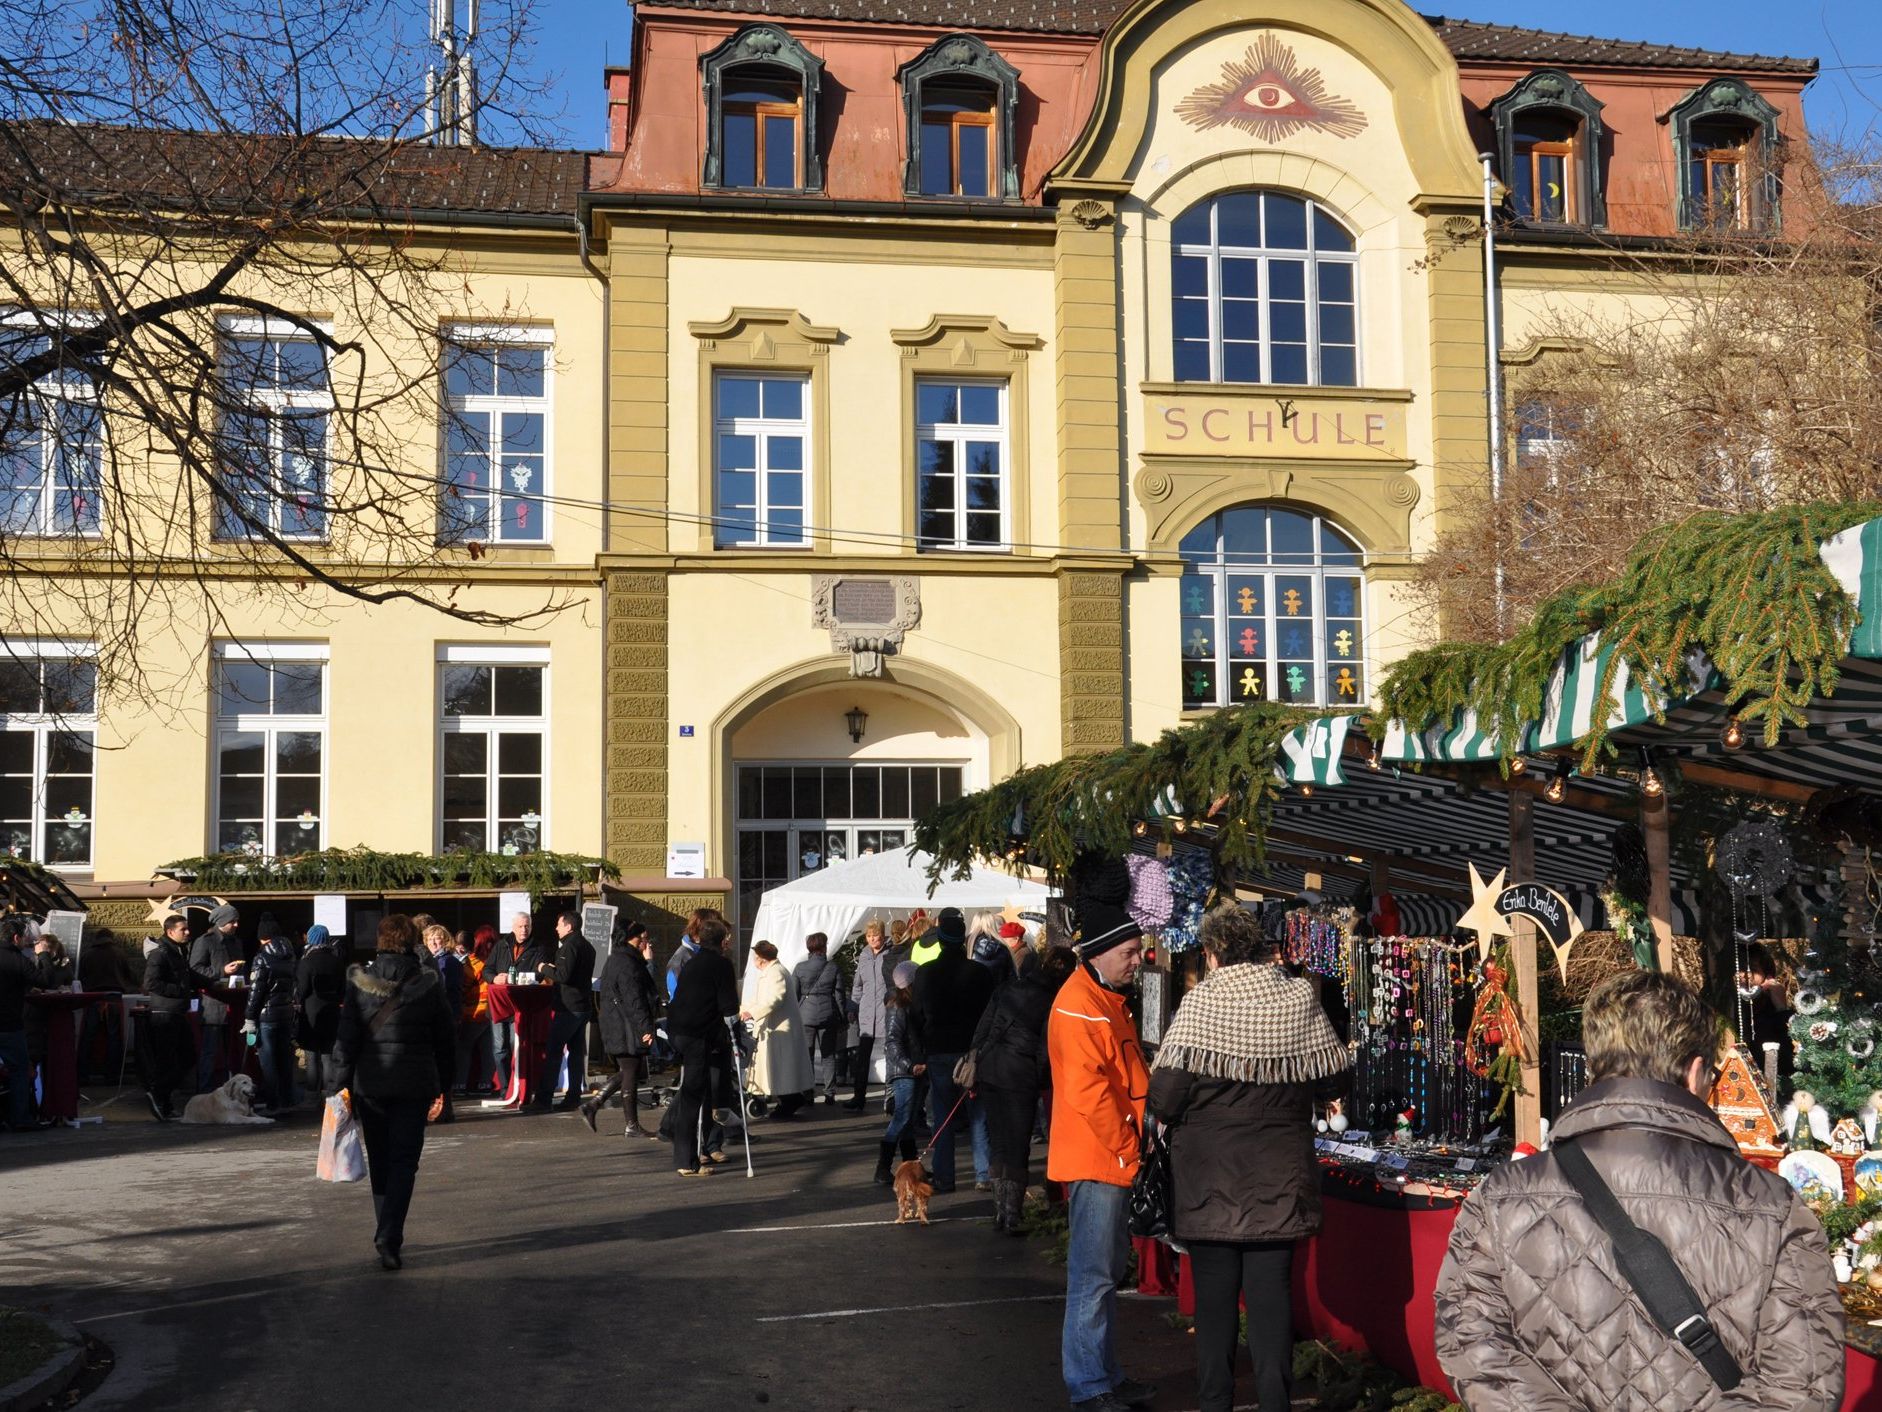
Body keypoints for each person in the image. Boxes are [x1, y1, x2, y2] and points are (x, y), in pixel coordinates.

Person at [1435, 969, 1845, 1411]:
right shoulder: (1773, 1205)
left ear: (1597, 1068)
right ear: (1695, 1073)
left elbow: (1471, 1339)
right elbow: (1800, 1385)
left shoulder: (1501, 1197)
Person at [1147, 905, 1350, 1412]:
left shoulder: (1200, 1005)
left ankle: (1215, 1403)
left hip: (1209, 1180)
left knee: (1214, 1304)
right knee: (1271, 1298)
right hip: (1280, 1177)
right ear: (1259, 948)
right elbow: (1334, 1078)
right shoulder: (1298, 996)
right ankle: (1275, 1403)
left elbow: (1164, 1099)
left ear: (1212, 953)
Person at [1047, 881, 1155, 1412]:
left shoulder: (1103, 999)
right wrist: (1129, 1152)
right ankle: (1090, 1386)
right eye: (1130, 952)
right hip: (1101, 1158)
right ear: (1100, 952)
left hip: (1109, 1156)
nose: (1139, 959)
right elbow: (1090, 1094)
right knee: (1093, 1278)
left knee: (1104, 1276)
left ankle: (1105, 1376)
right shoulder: (1080, 1005)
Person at [328, 914, 456, 1272]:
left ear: (381, 941)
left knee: (382, 1158)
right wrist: (445, 1086)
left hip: (370, 1084)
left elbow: (346, 1039)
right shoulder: (429, 982)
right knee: (404, 1163)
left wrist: (338, 1086)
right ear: (412, 940)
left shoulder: (359, 982)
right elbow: (446, 1039)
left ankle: (384, 1231)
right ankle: (390, 1236)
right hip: (414, 1085)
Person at [974, 944, 1077, 1232]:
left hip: (992, 1067)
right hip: (1021, 1075)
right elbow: (1045, 1048)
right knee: (1018, 1145)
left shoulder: (1008, 988)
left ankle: (999, 1211)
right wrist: (1043, 1080)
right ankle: (1013, 1213)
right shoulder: (1052, 1000)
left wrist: (977, 1059)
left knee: (999, 1141)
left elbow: (984, 1028)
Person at [911, 907, 995, 1193]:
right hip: (972, 1050)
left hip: (938, 1049)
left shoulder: (925, 974)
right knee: (978, 1115)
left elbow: (916, 1014)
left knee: (943, 1116)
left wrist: (921, 1048)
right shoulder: (980, 973)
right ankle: (983, 1172)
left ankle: (946, 1176)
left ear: (940, 939)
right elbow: (990, 1013)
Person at [141, 913, 241, 1122]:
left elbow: (192, 976)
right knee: (172, 1060)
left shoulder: (178, 952)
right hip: (164, 1014)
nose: (188, 932)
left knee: (186, 1057)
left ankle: (163, 1100)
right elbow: (151, 983)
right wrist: (180, 990)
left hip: (177, 1011)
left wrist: (216, 979)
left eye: (187, 929)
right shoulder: (160, 954)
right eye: (183, 929)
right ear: (170, 932)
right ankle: (159, 1095)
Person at [667, 915, 738, 1176]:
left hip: (680, 1031)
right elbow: (729, 1007)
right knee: (692, 1095)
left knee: (696, 1091)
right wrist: (737, 1038)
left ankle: (698, 1152)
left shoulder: (692, 962)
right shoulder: (721, 965)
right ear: (721, 942)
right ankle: (686, 1160)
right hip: (698, 1035)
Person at [584, 920, 660, 1138]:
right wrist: (646, 1027)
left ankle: (594, 1105)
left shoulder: (621, 958)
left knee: (629, 1070)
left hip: (620, 1024)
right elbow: (634, 998)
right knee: (630, 1071)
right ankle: (631, 1124)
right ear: (630, 938)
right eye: (641, 938)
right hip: (625, 1026)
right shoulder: (627, 962)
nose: (645, 943)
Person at [744, 940, 813, 1119]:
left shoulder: (775, 973)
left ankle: (790, 1100)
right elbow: (762, 999)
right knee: (778, 1068)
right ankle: (788, 1099)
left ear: (761, 959)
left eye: (755, 958)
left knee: (781, 1068)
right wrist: (744, 1009)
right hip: (774, 1027)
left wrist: (751, 1012)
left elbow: (774, 999)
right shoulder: (772, 971)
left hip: (779, 1028)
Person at [874, 959, 927, 1183]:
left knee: (908, 1120)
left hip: (912, 1067)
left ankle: (911, 1168)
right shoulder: (898, 1005)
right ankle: (882, 1168)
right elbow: (893, 1040)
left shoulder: (909, 1003)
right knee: (902, 1117)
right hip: (905, 1070)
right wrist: (909, 1064)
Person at [0, 918, 54, 1132]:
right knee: (19, 1070)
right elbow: (45, 980)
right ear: (16, 938)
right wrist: (43, 954)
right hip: (9, 1025)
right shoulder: (18, 960)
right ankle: (20, 1117)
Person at [244, 917, 301, 1115]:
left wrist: (250, 1017)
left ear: (262, 938)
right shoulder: (290, 953)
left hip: (266, 1015)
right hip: (285, 1013)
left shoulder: (262, 958)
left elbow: (256, 991)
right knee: (285, 1059)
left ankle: (272, 1102)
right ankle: (288, 1099)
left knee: (267, 1062)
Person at [541, 910, 592, 1113]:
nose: (556, 928)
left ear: (569, 926)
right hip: (583, 1006)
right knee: (576, 1054)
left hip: (568, 1008)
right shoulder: (587, 946)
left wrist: (544, 967)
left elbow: (563, 975)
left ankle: (544, 1098)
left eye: (559, 924)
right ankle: (573, 1097)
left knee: (553, 1051)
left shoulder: (569, 946)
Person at [190, 903, 242, 1092]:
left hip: (234, 1005)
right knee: (210, 1051)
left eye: (236, 921)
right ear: (221, 922)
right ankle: (203, 1092)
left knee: (232, 1053)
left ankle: (231, 1092)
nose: (236, 925)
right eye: (232, 921)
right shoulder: (205, 941)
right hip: (213, 1006)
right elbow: (195, 969)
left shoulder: (236, 942)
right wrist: (222, 971)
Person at [77, 926, 140, 1082]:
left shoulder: (87, 955)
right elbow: (130, 975)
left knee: (88, 1037)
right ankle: (112, 1075)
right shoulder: (119, 954)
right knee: (114, 1037)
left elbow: (81, 977)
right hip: (113, 998)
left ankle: (82, 1074)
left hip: (92, 998)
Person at [793, 932, 845, 1105]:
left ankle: (808, 1092)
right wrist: (842, 1016)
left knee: (807, 1055)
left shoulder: (800, 968)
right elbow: (839, 995)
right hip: (827, 1014)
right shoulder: (833, 967)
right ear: (823, 947)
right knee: (828, 1055)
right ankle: (829, 1093)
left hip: (805, 1016)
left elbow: (794, 994)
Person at [845, 919, 890, 1111]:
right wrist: (854, 1007)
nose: (872, 939)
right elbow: (858, 985)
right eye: (869, 936)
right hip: (866, 1013)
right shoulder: (863, 955)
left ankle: (891, 1098)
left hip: (886, 1011)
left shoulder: (889, 954)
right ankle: (858, 1096)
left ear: (882, 934)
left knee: (891, 1056)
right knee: (862, 1057)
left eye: (875, 935)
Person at [296, 923, 345, 1097]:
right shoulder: (337, 961)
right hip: (332, 1011)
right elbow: (342, 989)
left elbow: (302, 990)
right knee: (328, 1055)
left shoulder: (306, 961)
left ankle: (311, 1095)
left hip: (311, 1012)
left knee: (312, 1056)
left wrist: (298, 1002)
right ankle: (329, 1094)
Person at [485, 911, 530, 1092]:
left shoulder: (536, 948)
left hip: (518, 1006)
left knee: (515, 1045)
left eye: (527, 926)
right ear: (513, 928)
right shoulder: (501, 946)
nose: (524, 930)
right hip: (497, 1005)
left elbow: (540, 974)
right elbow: (487, 969)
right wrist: (495, 978)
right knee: (499, 1048)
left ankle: (517, 1086)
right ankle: (505, 1087)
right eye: (520, 926)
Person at [422, 924, 464, 1121]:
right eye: (430, 940)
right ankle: (440, 1102)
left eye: (438, 939)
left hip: (447, 1016)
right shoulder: (433, 961)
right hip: (438, 1016)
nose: (434, 943)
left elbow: (447, 989)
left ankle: (444, 1104)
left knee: (443, 1060)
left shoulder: (449, 962)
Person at [1742, 942, 1795, 1081]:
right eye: (1739, 969)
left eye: (1753, 969)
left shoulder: (1771, 1008)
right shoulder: (1726, 1005)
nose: (1745, 975)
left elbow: (1790, 1056)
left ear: (1768, 976)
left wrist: (1781, 1009)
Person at [457, 925, 496, 1095]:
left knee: (464, 1048)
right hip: (492, 1010)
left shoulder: (471, 963)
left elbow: (463, 988)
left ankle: (459, 1084)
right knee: (487, 1049)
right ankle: (485, 1083)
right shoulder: (495, 961)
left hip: (473, 1011)